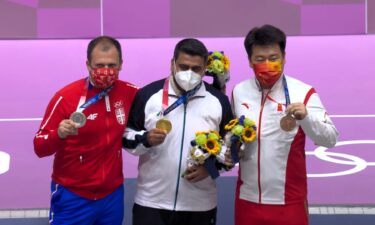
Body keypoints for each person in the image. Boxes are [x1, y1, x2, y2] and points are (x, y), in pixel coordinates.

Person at [231, 25, 339, 225]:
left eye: (274, 58)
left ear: (284, 57)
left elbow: (330, 139)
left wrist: (307, 118)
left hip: (289, 202)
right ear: (249, 61)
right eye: (260, 59)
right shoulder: (239, 92)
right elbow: (232, 137)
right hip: (247, 200)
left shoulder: (304, 92)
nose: (268, 64)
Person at [123, 38, 233, 225]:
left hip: (200, 205)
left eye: (196, 69)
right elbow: (126, 137)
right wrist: (146, 139)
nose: (189, 73)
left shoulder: (219, 101)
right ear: (172, 63)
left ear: (205, 67)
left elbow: (234, 150)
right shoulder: (148, 95)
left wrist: (210, 169)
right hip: (151, 202)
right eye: (183, 67)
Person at [33, 36, 138, 225]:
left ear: (121, 64)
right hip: (72, 196)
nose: (105, 71)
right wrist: (59, 134)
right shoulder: (65, 97)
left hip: (112, 195)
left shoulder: (130, 93)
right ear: (88, 64)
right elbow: (39, 146)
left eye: (111, 65)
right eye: (99, 65)